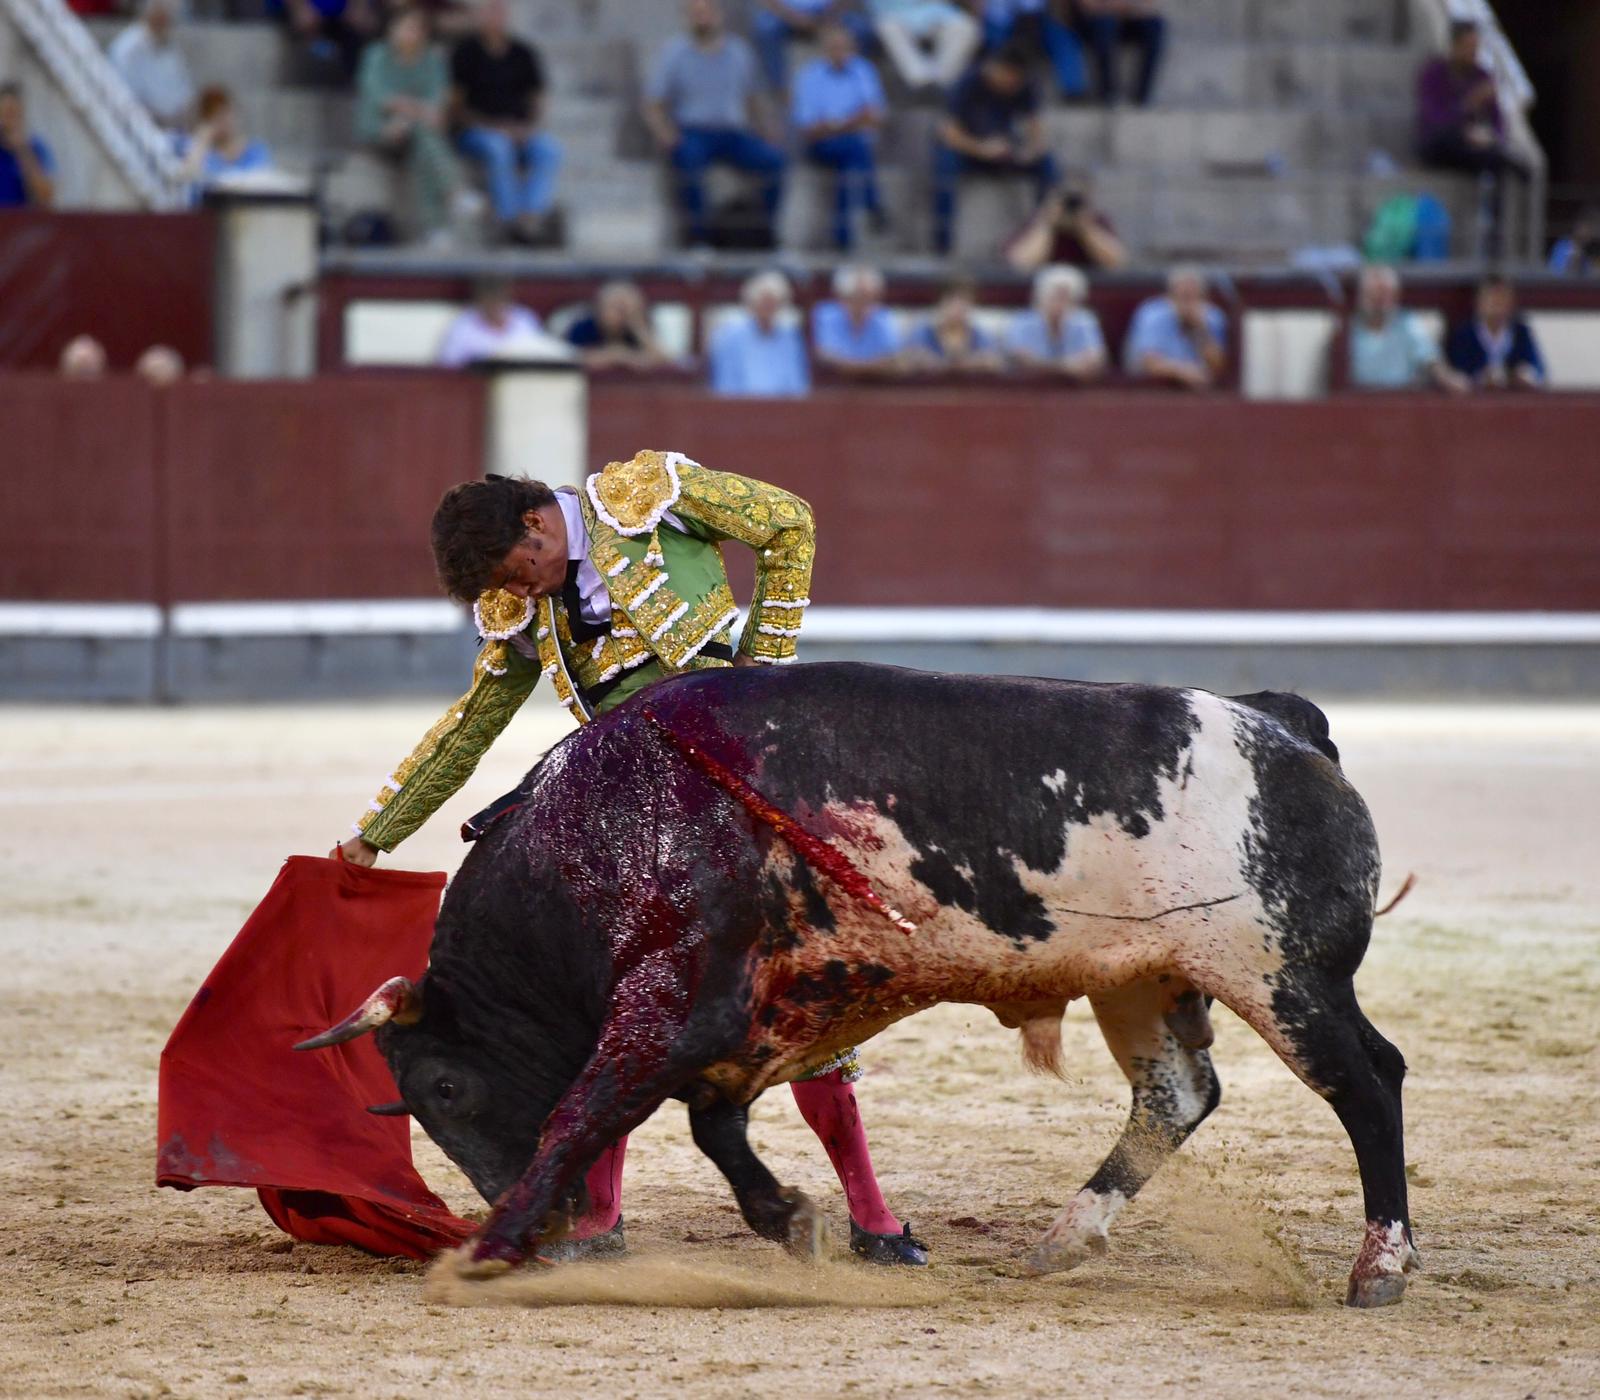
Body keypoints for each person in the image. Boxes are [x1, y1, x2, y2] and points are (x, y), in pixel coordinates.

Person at [334, 457, 927, 1268]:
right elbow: (472, 722)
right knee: (610, 995)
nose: (523, 591)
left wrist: (761, 671)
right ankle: (598, 1216)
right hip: (629, 805)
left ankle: (873, 1214)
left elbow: (789, 521)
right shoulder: (520, 604)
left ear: (537, 524)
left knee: (796, 990)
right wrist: (377, 833)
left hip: (736, 778)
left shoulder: (647, 499)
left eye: (521, 571)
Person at [644, 0, 786, 250]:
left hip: (734, 133)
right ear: (687, 17)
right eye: (696, 13)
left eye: (707, 12)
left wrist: (767, 128)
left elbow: (753, 97)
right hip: (694, 132)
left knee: (775, 162)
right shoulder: (674, 53)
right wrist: (665, 133)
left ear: (719, 15)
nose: (703, 18)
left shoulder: (740, 52)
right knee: (688, 162)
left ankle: (762, 232)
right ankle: (699, 239)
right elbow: (653, 103)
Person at [450, 0, 561, 247]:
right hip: (476, 130)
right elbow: (456, 107)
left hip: (519, 129)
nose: (495, 17)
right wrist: (494, 126)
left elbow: (538, 98)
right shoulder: (465, 53)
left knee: (549, 149)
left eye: (499, 11)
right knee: (499, 146)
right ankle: (507, 220)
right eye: (490, 11)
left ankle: (530, 217)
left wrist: (528, 128)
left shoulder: (523, 52)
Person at [932, 43, 1056, 256]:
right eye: (1010, 78)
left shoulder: (1025, 85)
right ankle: (942, 242)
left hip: (1002, 148)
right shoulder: (968, 82)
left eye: (1017, 81)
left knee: (1047, 164)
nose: (1012, 85)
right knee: (945, 164)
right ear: (997, 67)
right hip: (968, 149)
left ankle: (1043, 235)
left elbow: (1036, 128)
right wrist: (980, 149)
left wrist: (1030, 151)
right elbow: (948, 133)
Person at [357, 8, 459, 245]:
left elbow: (438, 102)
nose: (411, 33)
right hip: (381, 129)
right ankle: (452, 194)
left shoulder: (432, 59)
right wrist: (416, 111)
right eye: (407, 27)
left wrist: (411, 114)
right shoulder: (376, 55)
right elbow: (379, 97)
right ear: (392, 30)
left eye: (417, 29)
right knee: (424, 136)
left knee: (423, 144)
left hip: (417, 132)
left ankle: (438, 227)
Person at [792, 21, 889, 252]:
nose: (840, 52)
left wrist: (835, 124)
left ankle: (843, 239)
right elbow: (810, 129)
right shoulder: (810, 76)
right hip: (822, 147)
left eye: (844, 47)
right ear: (824, 49)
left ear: (852, 48)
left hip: (854, 147)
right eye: (834, 47)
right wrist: (851, 121)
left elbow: (876, 116)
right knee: (855, 149)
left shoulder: (863, 70)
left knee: (852, 159)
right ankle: (872, 204)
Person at [1416, 21, 1525, 179]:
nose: (1473, 52)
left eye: (1476, 47)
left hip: (1470, 147)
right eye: (1468, 46)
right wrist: (1468, 104)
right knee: (1451, 139)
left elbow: (1497, 121)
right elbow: (1434, 119)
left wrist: (1491, 137)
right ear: (1454, 45)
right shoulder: (1433, 74)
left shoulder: (1482, 76)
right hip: (1439, 143)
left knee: (1495, 158)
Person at [1348, 265, 1467, 394]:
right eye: (1373, 294)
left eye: (1384, 294)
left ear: (1395, 296)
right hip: (1356, 397)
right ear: (1361, 296)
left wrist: (1448, 378)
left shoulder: (1408, 324)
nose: (1378, 302)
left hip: (1400, 397)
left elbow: (1430, 358)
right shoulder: (1348, 328)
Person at [1123, 265, 1228, 389]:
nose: (1188, 304)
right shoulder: (1153, 314)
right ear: (1169, 296)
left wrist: (1200, 330)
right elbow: (1148, 363)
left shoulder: (1213, 317)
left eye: (1193, 297)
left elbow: (1218, 367)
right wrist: (1182, 372)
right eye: (1183, 296)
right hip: (1151, 388)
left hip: (1199, 390)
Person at [709, 270, 811, 396]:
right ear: (751, 304)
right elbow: (725, 385)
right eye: (764, 303)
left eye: (774, 303)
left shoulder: (791, 337)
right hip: (740, 404)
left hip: (783, 405)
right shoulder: (729, 336)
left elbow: (797, 384)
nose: (768, 308)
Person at [1005, 171, 1127, 271]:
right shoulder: (1037, 221)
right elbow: (1019, 264)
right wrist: (1047, 224)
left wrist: (1085, 227)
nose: (1069, 206)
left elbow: (1117, 262)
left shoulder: (1097, 221)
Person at [1004, 263, 1106, 379]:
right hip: (1030, 386)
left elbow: (1095, 360)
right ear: (1040, 297)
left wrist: (1045, 365)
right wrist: (1066, 367)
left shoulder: (1084, 320)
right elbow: (1020, 360)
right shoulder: (1022, 321)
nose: (1061, 303)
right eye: (1056, 297)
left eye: (1067, 298)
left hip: (1073, 387)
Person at [1445, 274, 1545, 391]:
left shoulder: (1521, 332)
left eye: (1502, 298)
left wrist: (1526, 375)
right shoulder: (1463, 334)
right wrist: (1481, 378)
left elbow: (1538, 370)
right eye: (1492, 298)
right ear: (1479, 302)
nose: (1497, 304)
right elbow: (1456, 374)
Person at [108, 0, 196, 130]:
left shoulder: (171, 48)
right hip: (138, 129)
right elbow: (125, 98)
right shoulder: (127, 49)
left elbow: (186, 94)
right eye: (162, 15)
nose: (166, 21)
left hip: (175, 128)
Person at [752, 0, 873, 92]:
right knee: (766, 29)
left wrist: (831, 13)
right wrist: (795, 18)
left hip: (830, 12)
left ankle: (862, 88)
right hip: (786, 14)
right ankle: (779, 88)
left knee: (861, 30)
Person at [811, 263, 906, 376]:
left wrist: (854, 367)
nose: (867, 305)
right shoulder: (825, 314)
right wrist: (873, 366)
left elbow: (895, 360)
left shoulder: (883, 317)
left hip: (875, 383)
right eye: (860, 297)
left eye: (873, 298)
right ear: (843, 297)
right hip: (832, 383)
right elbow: (825, 357)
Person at [981, 0, 1087, 99]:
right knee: (996, 45)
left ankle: (1073, 89)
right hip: (1002, 23)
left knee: (1063, 40)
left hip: (1037, 21)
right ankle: (990, 86)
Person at [868, 0, 982, 92]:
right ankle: (920, 81)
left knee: (966, 27)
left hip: (939, 15)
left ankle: (940, 83)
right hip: (896, 17)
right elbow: (878, 9)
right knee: (887, 26)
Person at [437, 277, 547, 367]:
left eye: (499, 295)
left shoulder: (524, 318)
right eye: (489, 296)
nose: (494, 302)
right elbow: (448, 364)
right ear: (479, 298)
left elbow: (542, 353)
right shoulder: (463, 325)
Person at [179, 86, 274, 190]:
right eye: (215, 116)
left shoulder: (255, 151)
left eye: (226, 113)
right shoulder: (203, 153)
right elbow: (187, 182)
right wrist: (201, 142)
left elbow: (264, 183)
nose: (224, 121)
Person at [1075, 0, 1165, 107]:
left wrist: (1126, 8)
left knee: (1154, 25)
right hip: (1096, 21)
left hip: (1127, 19)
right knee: (1105, 25)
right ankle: (1107, 94)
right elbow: (1087, 6)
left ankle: (1142, 96)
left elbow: (1150, 7)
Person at [565, 281, 670, 370]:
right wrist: (616, 355)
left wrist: (638, 329)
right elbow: (573, 358)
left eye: (629, 308)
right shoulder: (583, 328)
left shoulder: (639, 328)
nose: (623, 315)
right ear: (600, 308)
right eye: (618, 308)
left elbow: (664, 360)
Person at [910, 275, 1003, 371]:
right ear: (941, 302)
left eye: (964, 301)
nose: (958, 307)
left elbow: (997, 363)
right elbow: (905, 362)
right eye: (952, 301)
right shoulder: (922, 334)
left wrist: (981, 362)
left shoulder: (981, 337)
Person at [276, 0, 382, 83]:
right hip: (302, 13)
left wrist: (359, 7)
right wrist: (299, 8)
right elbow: (303, 18)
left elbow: (360, 15)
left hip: (345, 15)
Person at [0, 82, 55, 209]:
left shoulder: (36, 149)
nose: (8, 120)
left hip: (21, 219)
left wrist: (22, 150)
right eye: (4, 114)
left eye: (13, 114)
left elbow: (46, 198)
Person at [1548, 204, 1600, 276]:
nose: (1591, 233)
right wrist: (1574, 261)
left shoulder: (1586, 252)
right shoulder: (1562, 246)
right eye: (1589, 228)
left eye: (1593, 229)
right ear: (1578, 226)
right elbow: (1557, 273)